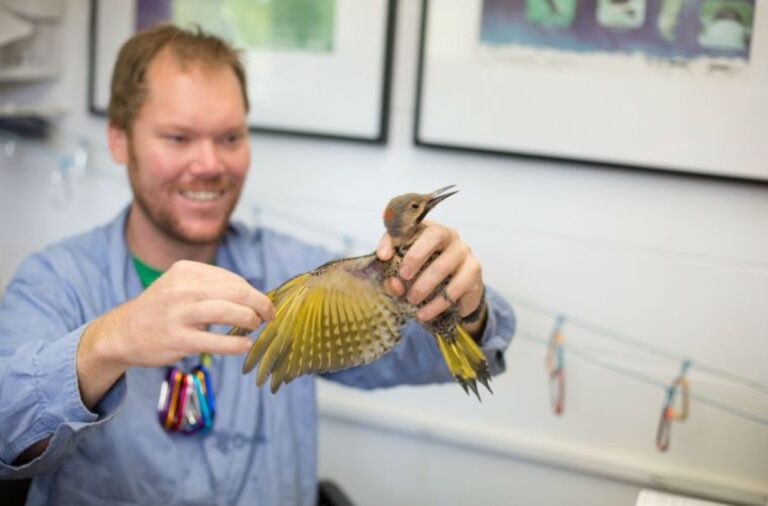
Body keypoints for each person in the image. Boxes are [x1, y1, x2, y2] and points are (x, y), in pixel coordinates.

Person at [0, 25, 515, 505]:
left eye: (229, 137)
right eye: (178, 138)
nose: (209, 164)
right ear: (119, 140)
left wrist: (464, 307)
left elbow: (430, 353)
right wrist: (108, 340)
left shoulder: (300, 272)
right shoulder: (55, 283)